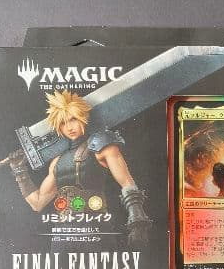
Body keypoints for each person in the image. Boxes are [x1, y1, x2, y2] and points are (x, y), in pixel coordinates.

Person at [9, 88, 151, 243]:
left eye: (73, 119)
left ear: (83, 118)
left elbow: (127, 182)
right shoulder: (57, 161)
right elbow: (37, 203)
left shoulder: (101, 145)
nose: (69, 127)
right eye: (63, 123)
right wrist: (20, 171)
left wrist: (138, 222)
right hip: (63, 234)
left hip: (96, 228)